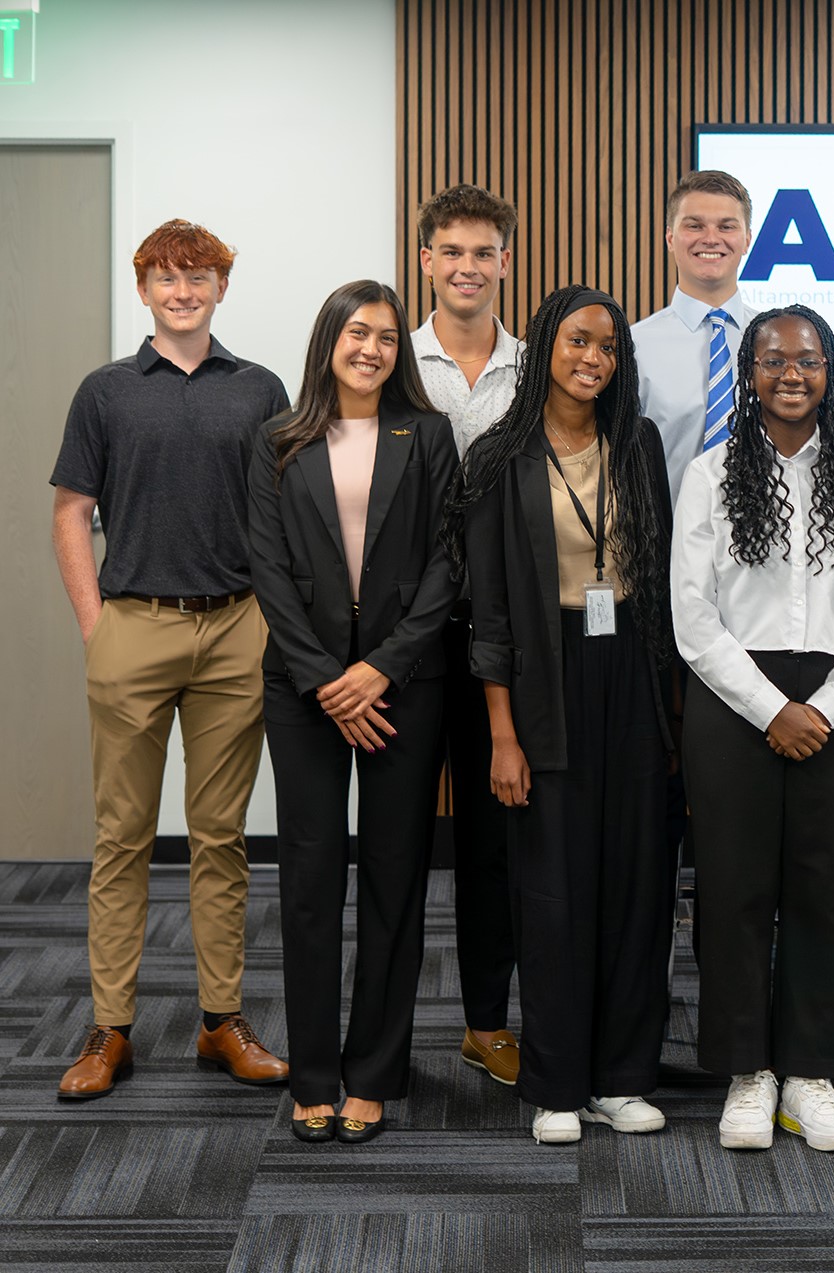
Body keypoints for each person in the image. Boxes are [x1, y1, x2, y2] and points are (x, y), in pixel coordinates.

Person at [49, 219, 290, 1100]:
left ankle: (220, 1021)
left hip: (235, 630)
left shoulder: (260, 390)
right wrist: (95, 624)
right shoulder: (106, 392)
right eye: (164, 276)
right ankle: (109, 1027)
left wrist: (273, 619)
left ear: (222, 288)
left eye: (198, 277)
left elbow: (285, 515)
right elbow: (73, 511)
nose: (182, 290)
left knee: (221, 838)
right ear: (143, 288)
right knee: (122, 838)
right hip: (134, 626)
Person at [673, 305, 834, 1154]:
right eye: (772, 360)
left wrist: (825, 705)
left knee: (822, 887)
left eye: (807, 359)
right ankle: (746, 1071)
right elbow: (691, 616)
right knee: (733, 890)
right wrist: (772, 708)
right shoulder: (708, 474)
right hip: (733, 697)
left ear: (829, 369)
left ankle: (809, 1072)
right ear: (750, 372)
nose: (791, 374)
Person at [446, 285, 678, 1146]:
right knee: (551, 889)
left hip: (633, 675)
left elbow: (653, 584)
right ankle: (555, 1081)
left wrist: (669, 716)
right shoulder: (500, 457)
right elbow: (492, 611)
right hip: (544, 672)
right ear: (545, 342)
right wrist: (503, 733)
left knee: (635, 883)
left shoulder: (638, 443)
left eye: (609, 348)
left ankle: (622, 1076)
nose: (593, 359)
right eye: (578, 341)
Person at [248, 280, 459, 1143]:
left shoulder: (429, 434)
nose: (370, 347)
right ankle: (314, 1071)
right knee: (306, 881)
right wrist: (327, 681)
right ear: (328, 339)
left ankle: (375, 1068)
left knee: (394, 875)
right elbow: (266, 567)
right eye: (355, 332)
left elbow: (449, 563)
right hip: (304, 692)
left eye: (384, 335)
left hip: (403, 685)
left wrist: (378, 668)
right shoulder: (276, 441)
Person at [410, 182, 526, 1086]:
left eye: (483, 252)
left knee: (494, 845)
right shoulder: (389, 361)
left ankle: (487, 1023)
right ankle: (383, 1031)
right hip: (408, 639)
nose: (467, 267)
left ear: (503, 262)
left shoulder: (536, 371)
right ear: (427, 260)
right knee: (400, 839)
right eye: (451, 251)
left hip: (503, 639)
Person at [631, 169, 759, 501]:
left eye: (727, 226)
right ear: (670, 237)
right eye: (695, 225)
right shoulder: (634, 347)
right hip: (665, 545)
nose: (711, 238)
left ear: (747, 239)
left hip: (768, 545)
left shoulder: (775, 342)